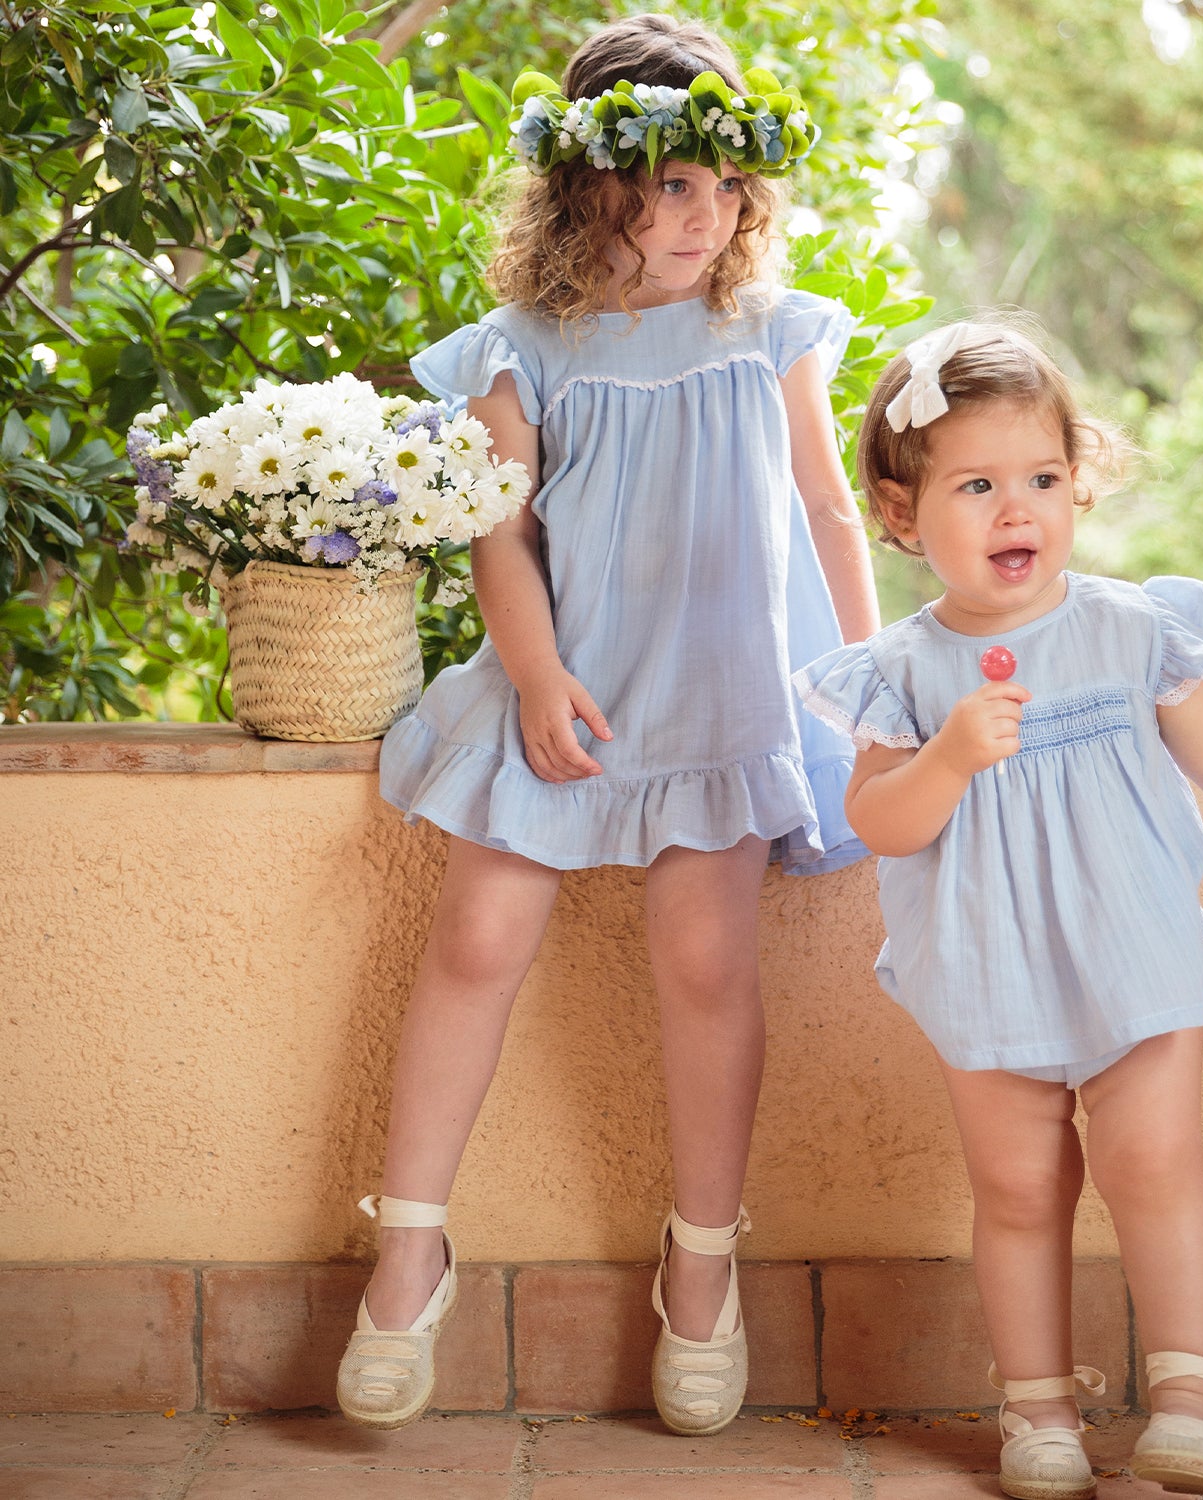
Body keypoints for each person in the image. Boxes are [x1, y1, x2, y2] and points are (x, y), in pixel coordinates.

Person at [336, 13, 879, 1437]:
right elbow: (496, 529)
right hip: (567, 691)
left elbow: (828, 509)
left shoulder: (768, 330)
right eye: (668, 184)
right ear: (589, 188)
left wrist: (880, 688)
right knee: (474, 939)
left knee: (706, 969)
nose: (703, 214)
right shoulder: (528, 347)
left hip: (719, 699)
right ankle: (408, 1251)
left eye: (723, 183)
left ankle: (702, 1270)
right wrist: (529, 675)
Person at [794, 320, 1203, 1499]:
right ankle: (1039, 1415)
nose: (1019, 510)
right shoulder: (903, 673)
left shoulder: (1127, 630)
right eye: (978, 485)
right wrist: (949, 758)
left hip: (1129, 946)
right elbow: (885, 823)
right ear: (903, 516)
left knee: (1154, 1162)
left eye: (1043, 480)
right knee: (1017, 1188)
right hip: (987, 963)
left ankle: (1192, 1402)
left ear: (1079, 482)